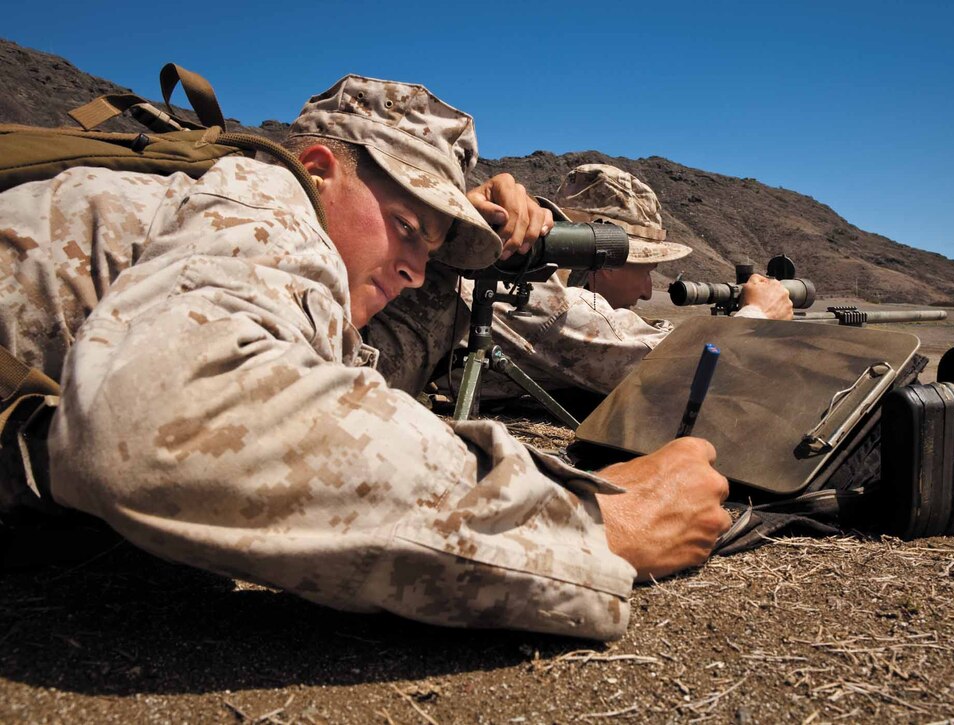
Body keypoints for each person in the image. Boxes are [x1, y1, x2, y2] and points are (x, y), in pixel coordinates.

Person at [0, 75, 730, 641]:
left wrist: (441, 252)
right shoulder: (265, 200)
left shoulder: (290, 245)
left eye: (432, 248)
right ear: (319, 169)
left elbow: (341, 374)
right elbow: (158, 422)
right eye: (407, 228)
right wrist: (588, 525)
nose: (414, 268)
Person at [443, 164, 795, 401]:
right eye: (645, 271)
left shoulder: (517, 275)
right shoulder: (545, 301)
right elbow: (680, 371)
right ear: (606, 259)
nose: (646, 291)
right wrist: (759, 315)